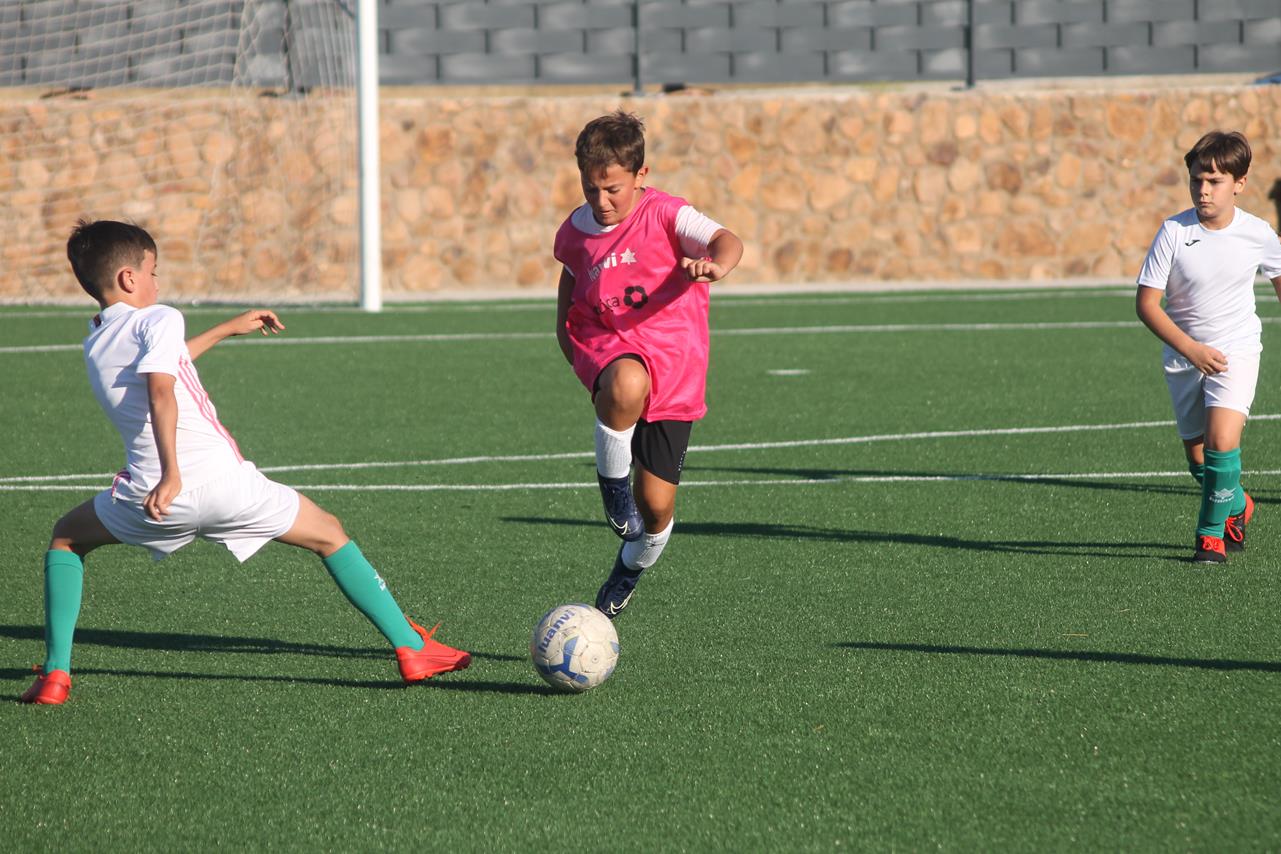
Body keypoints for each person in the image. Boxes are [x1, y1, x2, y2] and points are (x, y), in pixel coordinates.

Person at [21, 220, 469, 704]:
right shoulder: (161, 317)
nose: (157, 282)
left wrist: (226, 329)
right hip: (220, 485)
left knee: (66, 538)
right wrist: (173, 473)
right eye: (153, 271)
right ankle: (411, 648)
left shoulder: (97, 340)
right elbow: (161, 390)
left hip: (147, 501)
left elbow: (167, 364)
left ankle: (56, 674)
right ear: (129, 278)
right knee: (329, 534)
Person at [553, 111, 743, 617]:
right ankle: (613, 490)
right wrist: (575, 350)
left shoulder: (667, 214)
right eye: (590, 188)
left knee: (656, 510)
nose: (601, 201)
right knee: (626, 380)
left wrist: (716, 265)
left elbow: (727, 240)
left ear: (641, 175)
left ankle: (628, 569)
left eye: (612, 189)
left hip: (675, 366)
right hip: (608, 344)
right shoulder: (575, 231)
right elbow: (570, 286)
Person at [1136, 131, 1281, 564]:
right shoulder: (1173, 232)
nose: (1203, 189)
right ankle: (1239, 504)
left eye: (1215, 181)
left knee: (1221, 442)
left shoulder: (1258, 233)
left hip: (1236, 350)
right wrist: (1191, 350)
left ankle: (1210, 536)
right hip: (1185, 357)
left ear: (1239, 183)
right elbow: (1146, 304)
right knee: (1200, 463)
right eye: (1197, 179)